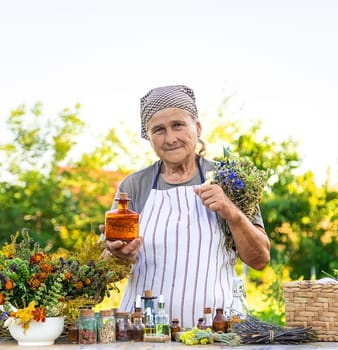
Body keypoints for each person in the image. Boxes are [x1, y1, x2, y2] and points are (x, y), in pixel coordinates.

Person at [103, 84, 270, 328]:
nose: (170, 138)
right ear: (149, 138)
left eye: (178, 125)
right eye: (158, 130)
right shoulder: (134, 186)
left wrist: (231, 211)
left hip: (216, 333)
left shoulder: (230, 179)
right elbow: (106, 265)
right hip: (141, 333)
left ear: (198, 128)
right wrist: (115, 255)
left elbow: (260, 259)